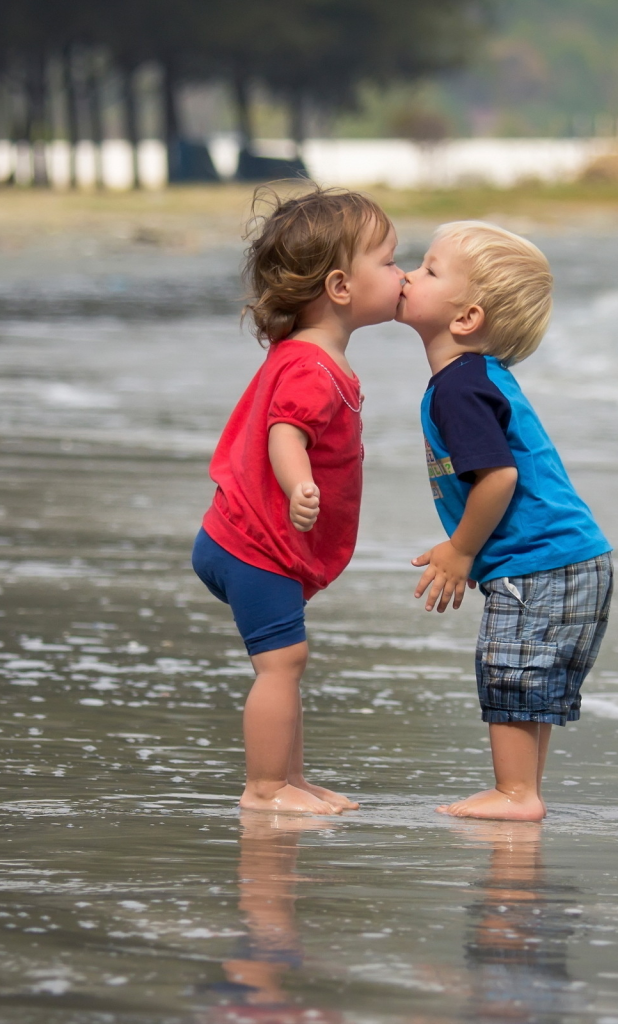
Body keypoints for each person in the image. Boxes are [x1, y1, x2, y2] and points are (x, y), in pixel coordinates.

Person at [192, 186, 403, 814]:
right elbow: (287, 432)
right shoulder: (312, 366)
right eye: (390, 262)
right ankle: (265, 788)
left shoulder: (315, 356)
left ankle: (292, 779)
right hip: (253, 543)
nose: (402, 275)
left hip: (245, 537)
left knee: (287, 663)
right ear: (340, 287)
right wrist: (299, 484)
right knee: (282, 663)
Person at [398, 221, 613, 821]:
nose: (411, 275)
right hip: (570, 558)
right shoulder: (474, 378)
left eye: (430, 270)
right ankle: (525, 790)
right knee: (528, 675)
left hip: (542, 560)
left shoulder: (459, 387)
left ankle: (517, 794)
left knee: (511, 667)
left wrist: (460, 552)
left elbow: (499, 478)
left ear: (465, 318)